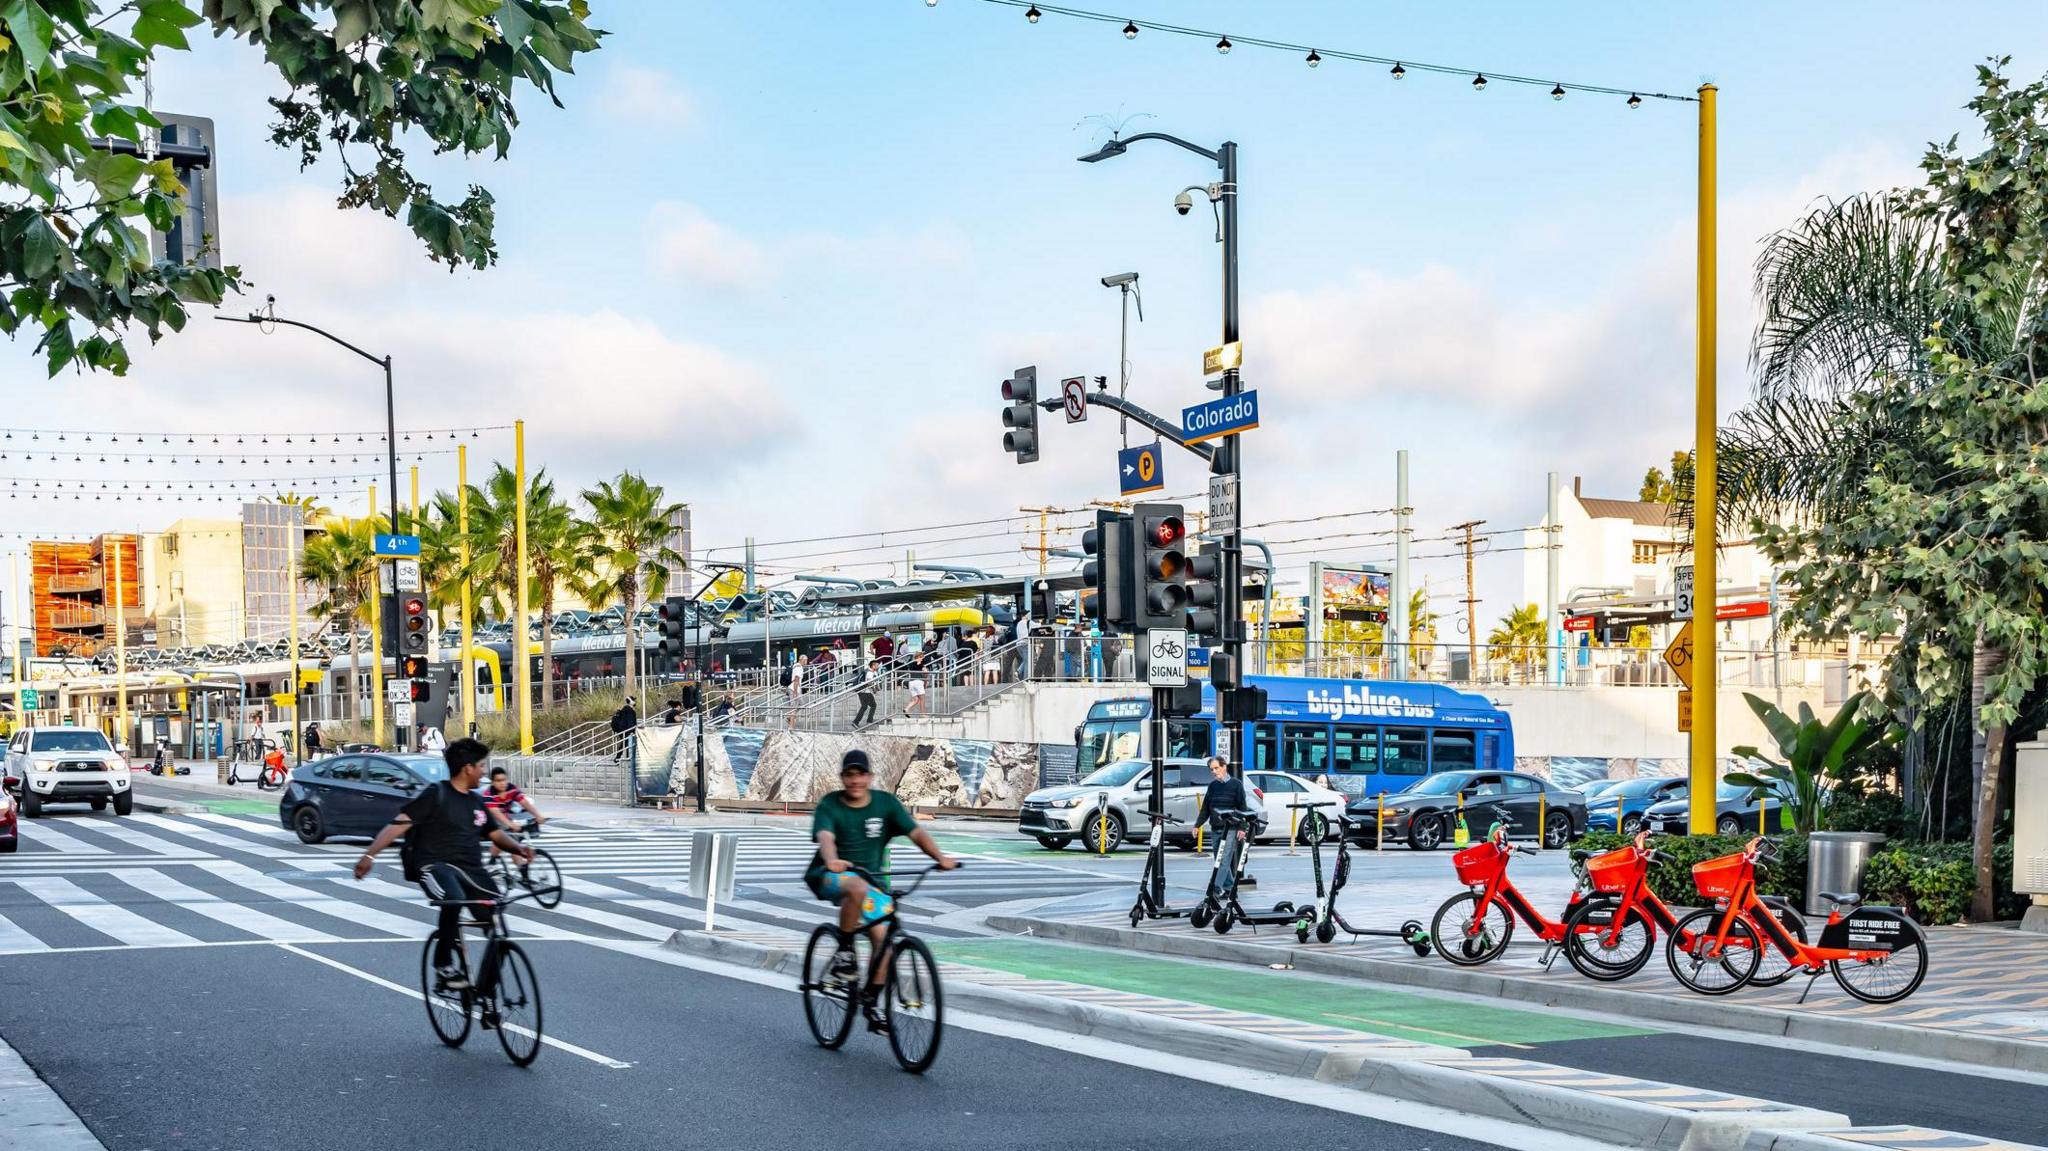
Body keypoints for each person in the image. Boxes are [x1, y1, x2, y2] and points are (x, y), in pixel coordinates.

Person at [353, 738, 532, 1016]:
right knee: (453, 900)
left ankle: (484, 993)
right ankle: (443, 964)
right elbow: (398, 824)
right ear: (467, 768)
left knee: (496, 924)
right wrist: (370, 855)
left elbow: (495, 834)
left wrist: (519, 847)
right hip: (435, 866)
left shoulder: (476, 801)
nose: (485, 772)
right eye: (481, 766)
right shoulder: (436, 794)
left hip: (473, 870)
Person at [806, 750, 956, 1026]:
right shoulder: (830, 805)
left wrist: (940, 858)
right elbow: (826, 837)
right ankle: (845, 952)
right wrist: (832, 861)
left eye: (860, 774)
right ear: (842, 778)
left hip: (872, 883)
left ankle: (870, 1002)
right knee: (856, 886)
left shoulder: (885, 804)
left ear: (870, 777)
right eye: (849, 775)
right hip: (829, 876)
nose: (855, 781)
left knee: (884, 943)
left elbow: (916, 833)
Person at [482, 765, 546, 836]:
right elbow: (496, 813)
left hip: (505, 819)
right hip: (489, 823)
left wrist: (538, 815)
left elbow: (524, 802)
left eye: (504, 780)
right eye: (498, 781)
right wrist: (510, 824)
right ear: (493, 782)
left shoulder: (512, 788)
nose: (502, 783)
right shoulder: (488, 794)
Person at [902, 647, 929, 717]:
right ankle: (922, 714)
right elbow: (925, 672)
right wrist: (926, 671)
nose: (923, 658)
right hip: (918, 682)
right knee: (922, 699)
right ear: (919, 657)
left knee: (915, 699)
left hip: (911, 683)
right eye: (922, 657)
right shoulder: (920, 663)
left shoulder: (911, 664)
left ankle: (906, 709)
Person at [852, 659, 879, 729]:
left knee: (869, 706)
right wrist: (874, 689)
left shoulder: (869, 671)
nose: (878, 666)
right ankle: (860, 721)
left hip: (863, 690)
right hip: (864, 691)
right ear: (873, 666)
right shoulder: (869, 672)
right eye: (877, 665)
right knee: (868, 706)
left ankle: (865, 721)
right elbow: (869, 682)